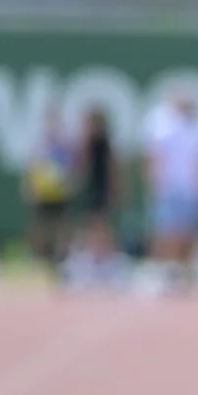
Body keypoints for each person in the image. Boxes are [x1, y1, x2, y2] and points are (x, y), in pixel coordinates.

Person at [140, 86, 198, 276]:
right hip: (168, 187)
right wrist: (154, 182)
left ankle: (183, 271)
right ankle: (162, 269)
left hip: (191, 188)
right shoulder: (160, 121)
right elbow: (153, 154)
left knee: (188, 231)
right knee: (165, 230)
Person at [22, 101, 78, 269]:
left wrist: (69, 183)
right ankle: (37, 256)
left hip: (59, 193)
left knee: (63, 225)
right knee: (38, 226)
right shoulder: (39, 144)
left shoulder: (64, 144)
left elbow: (70, 167)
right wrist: (29, 188)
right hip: (42, 192)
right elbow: (31, 167)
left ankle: (63, 256)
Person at [71, 105, 122, 277]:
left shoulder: (103, 142)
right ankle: (93, 258)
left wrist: (115, 188)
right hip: (91, 187)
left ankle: (107, 259)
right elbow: (82, 166)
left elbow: (111, 167)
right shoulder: (87, 141)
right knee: (91, 224)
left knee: (100, 223)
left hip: (100, 187)